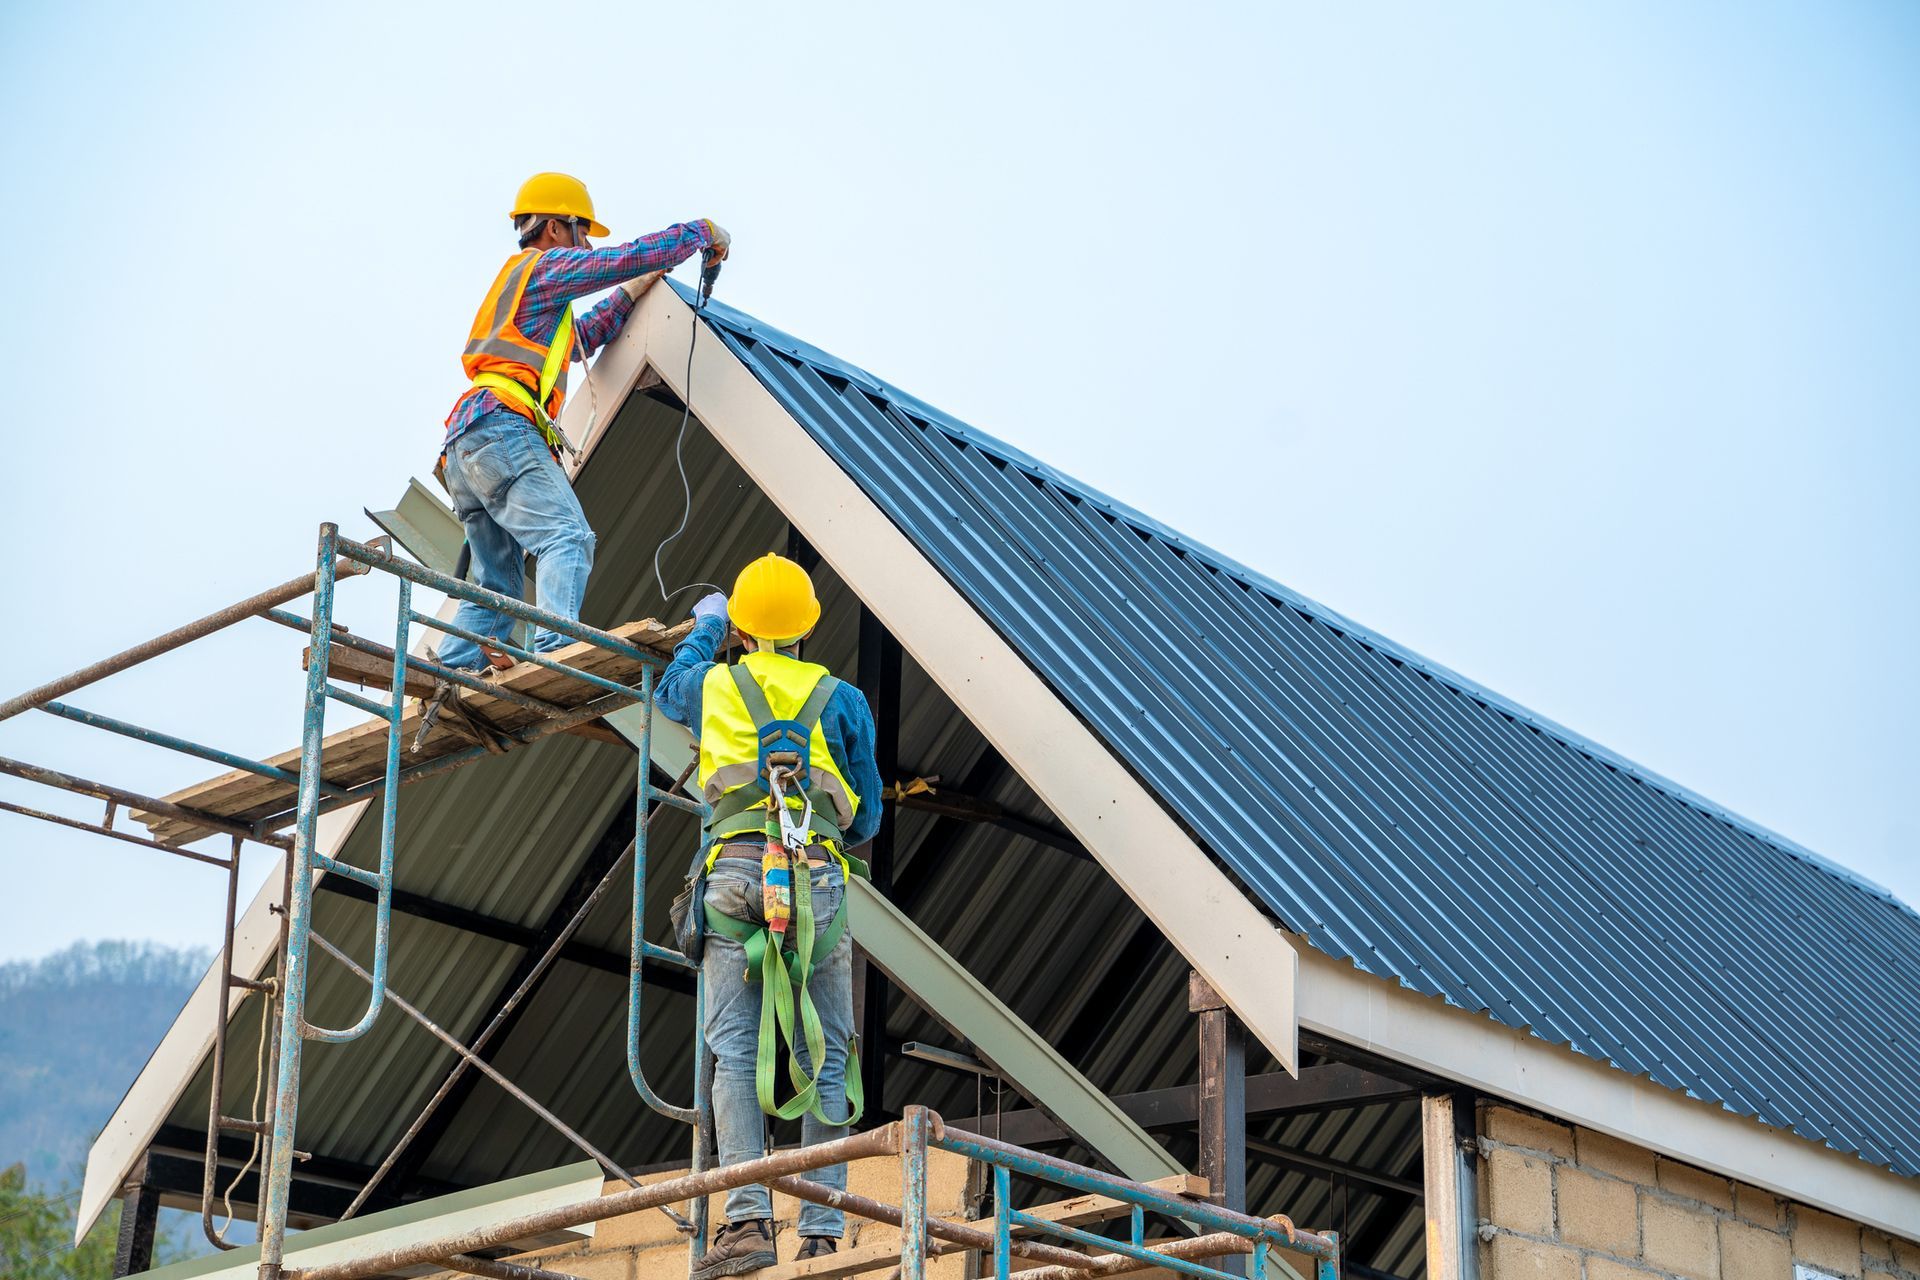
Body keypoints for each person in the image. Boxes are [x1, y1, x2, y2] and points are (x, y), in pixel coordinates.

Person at [655, 554, 884, 1278]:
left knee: (734, 1050)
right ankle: (820, 1231)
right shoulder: (841, 698)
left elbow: (669, 688)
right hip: (814, 875)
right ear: (807, 628)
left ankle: (748, 1224)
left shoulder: (714, 683)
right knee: (827, 1053)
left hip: (733, 875)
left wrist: (705, 628)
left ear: (745, 628)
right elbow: (869, 813)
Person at [436, 172, 730, 673]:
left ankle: (446, 672)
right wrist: (699, 233)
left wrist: (633, 293)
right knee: (566, 537)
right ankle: (553, 651)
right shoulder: (545, 269)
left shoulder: (525, 297)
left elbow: (583, 337)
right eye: (581, 231)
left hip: (467, 443)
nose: (586, 243)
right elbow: (617, 260)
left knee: (498, 584)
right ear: (555, 227)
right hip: (503, 428)